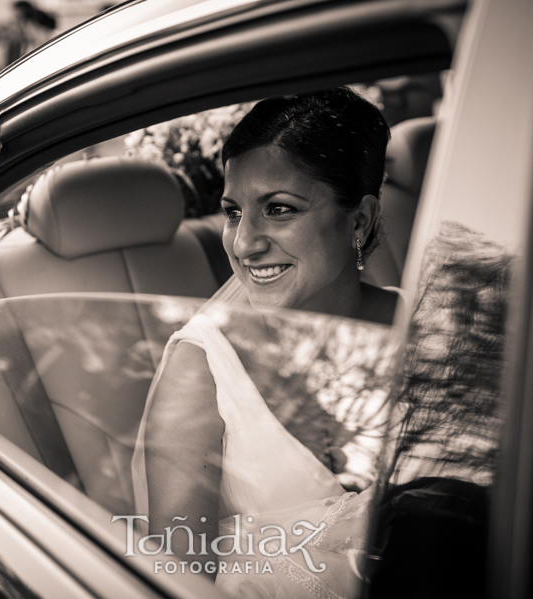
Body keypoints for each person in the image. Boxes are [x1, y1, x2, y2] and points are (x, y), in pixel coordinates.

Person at [131, 87, 396, 598]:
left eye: (278, 209)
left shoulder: (426, 324)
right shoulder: (203, 366)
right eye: (233, 213)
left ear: (358, 220)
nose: (243, 242)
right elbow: (177, 578)